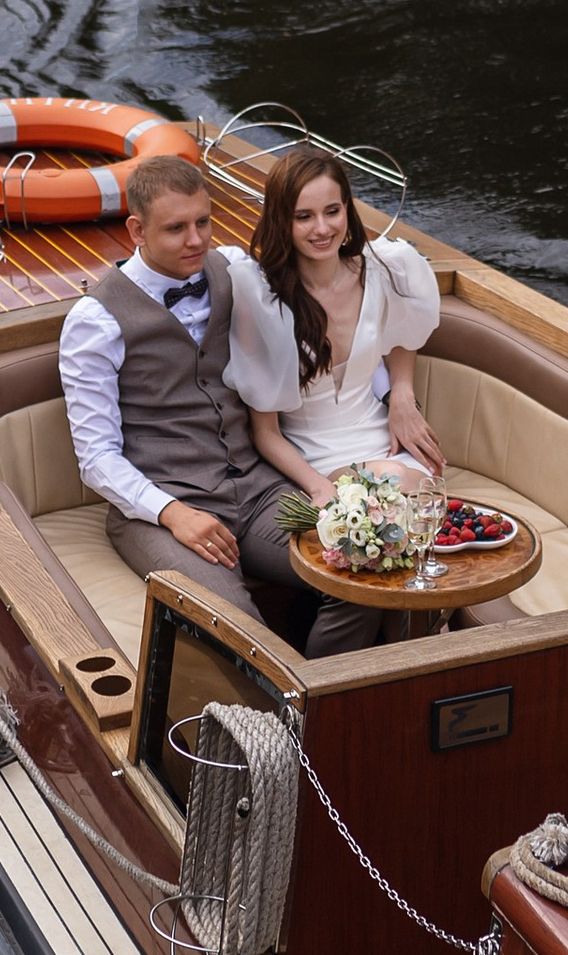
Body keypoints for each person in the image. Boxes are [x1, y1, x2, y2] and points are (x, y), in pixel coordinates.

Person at [57, 152, 354, 650]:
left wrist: (396, 390)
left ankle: (330, 687)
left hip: (259, 491)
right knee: (242, 635)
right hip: (163, 507)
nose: (196, 240)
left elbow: (322, 283)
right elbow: (96, 458)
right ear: (137, 230)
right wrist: (173, 513)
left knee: (360, 571)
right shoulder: (94, 322)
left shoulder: (234, 269)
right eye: (176, 229)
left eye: (203, 222)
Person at [223, 147, 444, 582]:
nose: (322, 229)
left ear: (347, 210)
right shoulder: (263, 299)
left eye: (332, 211)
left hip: (383, 438)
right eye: (304, 216)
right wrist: (318, 487)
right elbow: (265, 433)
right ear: (282, 220)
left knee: (422, 493)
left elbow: (405, 334)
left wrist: (402, 395)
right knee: (397, 495)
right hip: (315, 456)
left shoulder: (384, 270)